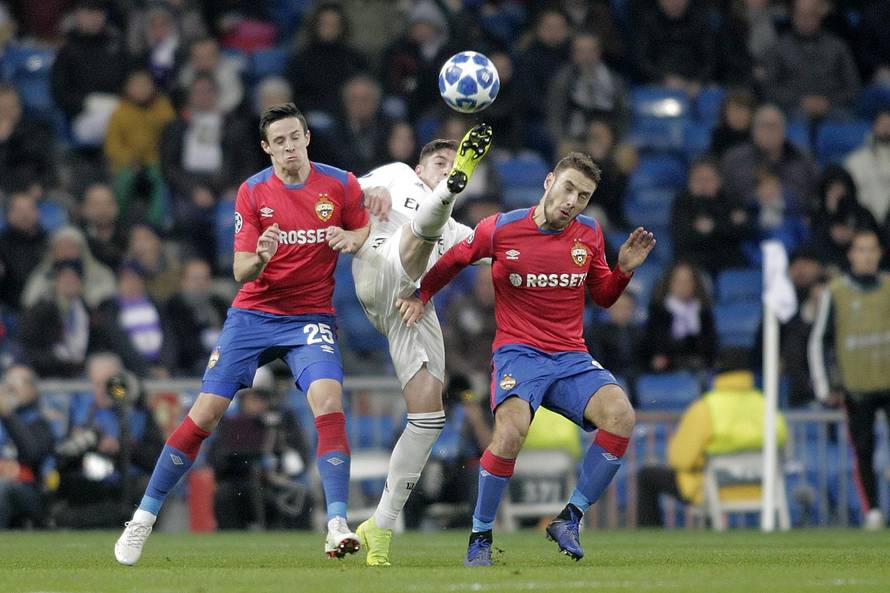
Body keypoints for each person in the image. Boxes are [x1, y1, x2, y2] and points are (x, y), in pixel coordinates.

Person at [114, 102, 386, 565]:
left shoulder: (339, 183)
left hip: (310, 318)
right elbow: (241, 270)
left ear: (307, 138)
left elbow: (361, 228)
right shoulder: (253, 191)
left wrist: (351, 240)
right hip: (254, 315)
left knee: (328, 400)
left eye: (295, 137)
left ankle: (337, 523)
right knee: (205, 414)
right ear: (267, 148)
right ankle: (142, 519)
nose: (289, 147)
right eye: (279, 141)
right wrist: (260, 256)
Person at [398, 152, 655, 565]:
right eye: (568, 188)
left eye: (583, 196)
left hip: (570, 356)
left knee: (622, 416)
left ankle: (569, 518)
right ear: (549, 181)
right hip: (519, 354)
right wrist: (421, 293)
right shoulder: (501, 228)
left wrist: (622, 270)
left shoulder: (589, 234)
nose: (572, 201)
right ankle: (480, 537)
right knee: (510, 433)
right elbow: (455, 259)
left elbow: (603, 297)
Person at [349, 123, 493, 565]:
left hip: (409, 304)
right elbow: (336, 190)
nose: (447, 168)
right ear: (419, 168)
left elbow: (501, 248)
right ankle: (442, 201)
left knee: (429, 418)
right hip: (378, 267)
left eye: (455, 167)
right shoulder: (396, 174)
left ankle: (380, 525)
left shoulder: (455, 232)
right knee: (419, 232)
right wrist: (368, 194)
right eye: (440, 163)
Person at [636, 362, 787, 527]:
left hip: (715, 488)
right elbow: (783, 440)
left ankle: (650, 533)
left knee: (646, 476)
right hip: (763, 487)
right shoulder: (765, 404)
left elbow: (680, 458)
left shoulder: (706, 407)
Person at [809, 228, 890, 530]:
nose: (867, 256)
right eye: (861, 250)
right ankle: (873, 511)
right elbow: (819, 341)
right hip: (857, 387)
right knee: (863, 450)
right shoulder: (835, 292)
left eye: (872, 250)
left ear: (880, 254)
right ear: (852, 254)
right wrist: (825, 386)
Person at [54, 353, 164, 528]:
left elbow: (155, 458)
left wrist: (120, 446)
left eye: (107, 383)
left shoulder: (138, 412)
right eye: (96, 383)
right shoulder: (82, 412)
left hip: (129, 483)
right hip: (91, 485)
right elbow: (62, 458)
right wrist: (79, 444)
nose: (101, 390)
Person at [0, 364, 55, 528]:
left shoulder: (39, 422)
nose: (10, 388)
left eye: (17, 382)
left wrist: (8, 415)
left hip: (28, 488)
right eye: (7, 382)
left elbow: (31, 454)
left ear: (32, 390)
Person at [642, 261, 717, 373]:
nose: (683, 286)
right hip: (667, 368)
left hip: (699, 366)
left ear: (695, 284)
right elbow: (653, 344)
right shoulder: (658, 311)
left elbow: (710, 344)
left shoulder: (703, 311)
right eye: (678, 281)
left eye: (688, 281)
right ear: (669, 282)